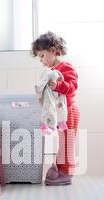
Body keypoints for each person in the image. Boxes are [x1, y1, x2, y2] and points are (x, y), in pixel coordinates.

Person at [31, 31, 80, 186]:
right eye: (39, 57)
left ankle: (66, 173)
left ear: (53, 50)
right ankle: (61, 168)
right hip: (61, 112)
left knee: (67, 143)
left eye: (42, 55)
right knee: (63, 142)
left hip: (70, 111)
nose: (41, 60)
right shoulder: (51, 71)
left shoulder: (66, 67)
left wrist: (57, 85)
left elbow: (72, 87)